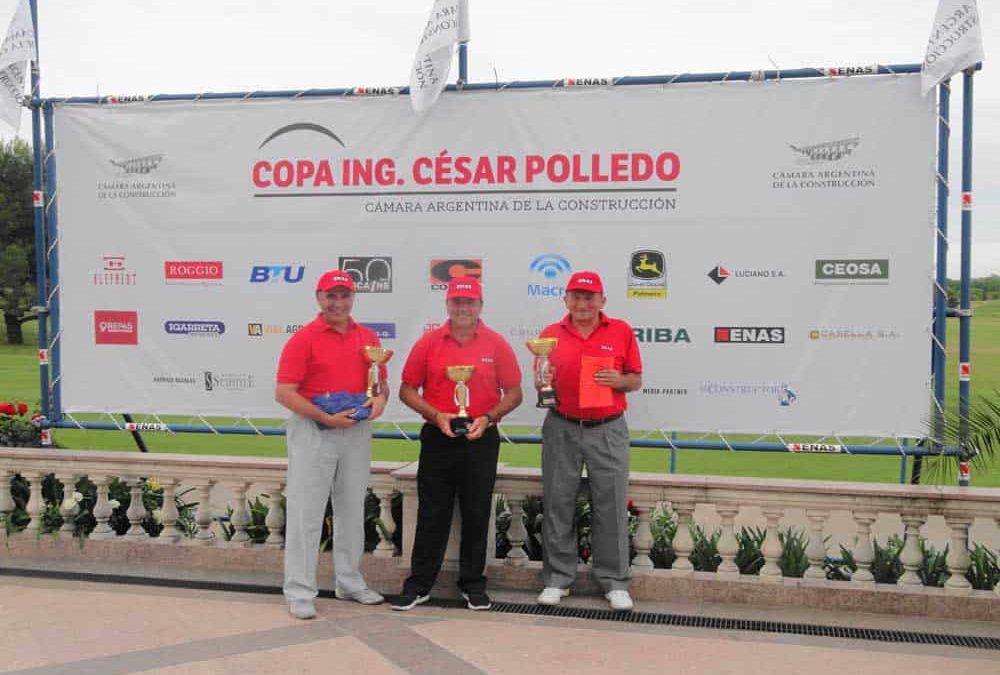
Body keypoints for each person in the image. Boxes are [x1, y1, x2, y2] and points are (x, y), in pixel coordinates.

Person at [392, 276, 523, 611]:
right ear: (448, 304)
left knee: (477, 512)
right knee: (432, 512)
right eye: (457, 302)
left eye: (469, 302)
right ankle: (419, 585)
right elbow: (406, 390)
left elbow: (514, 393)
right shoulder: (429, 342)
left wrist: (489, 418)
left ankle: (473, 585)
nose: (463, 308)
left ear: (480, 305)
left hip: (481, 436)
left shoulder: (496, 344)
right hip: (438, 436)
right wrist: (436, 415)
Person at [275, 269, 389, 620]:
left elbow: (380, 386)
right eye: (331, 296)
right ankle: (299, 590)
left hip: (355, 430)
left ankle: (349, 581)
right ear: (319, 298)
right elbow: (284, 393)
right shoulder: (303, 339)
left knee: (352, 509)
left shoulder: (368, 337)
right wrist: (325, 417)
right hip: (314, 429)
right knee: (306, 513)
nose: (338, 303)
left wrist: (379, 403)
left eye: (344, 295)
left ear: (353, 297)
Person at [535, 270, 643, 611]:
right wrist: (542, 379)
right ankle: (557, 579)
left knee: (611, 504)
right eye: (576, 297)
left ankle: (614, 582)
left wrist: (619, 380)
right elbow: (541, 384)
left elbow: (635, 379)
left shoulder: (621, 330)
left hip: (608, 427)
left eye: (589, 297)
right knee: (558, 502)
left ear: (602, 300)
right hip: (561, 425)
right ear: (566, 300)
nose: (582, 303)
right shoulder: (550, 334)